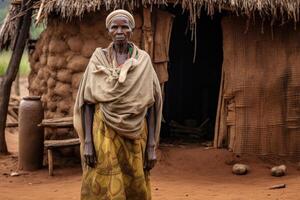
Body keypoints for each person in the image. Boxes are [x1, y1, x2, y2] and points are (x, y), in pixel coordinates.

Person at [73, 9, 162, 200]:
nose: (119, 31)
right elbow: (87, 101)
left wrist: (152, 145)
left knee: (135, 182)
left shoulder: (143, 61)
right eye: (115, 27)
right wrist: (88, 142)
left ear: (131, 30)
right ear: (108, 31)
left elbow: (152, 104)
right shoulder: (99, 59)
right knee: (101, 180)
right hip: (103, 133)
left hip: (136, 134)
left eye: (124, 27)